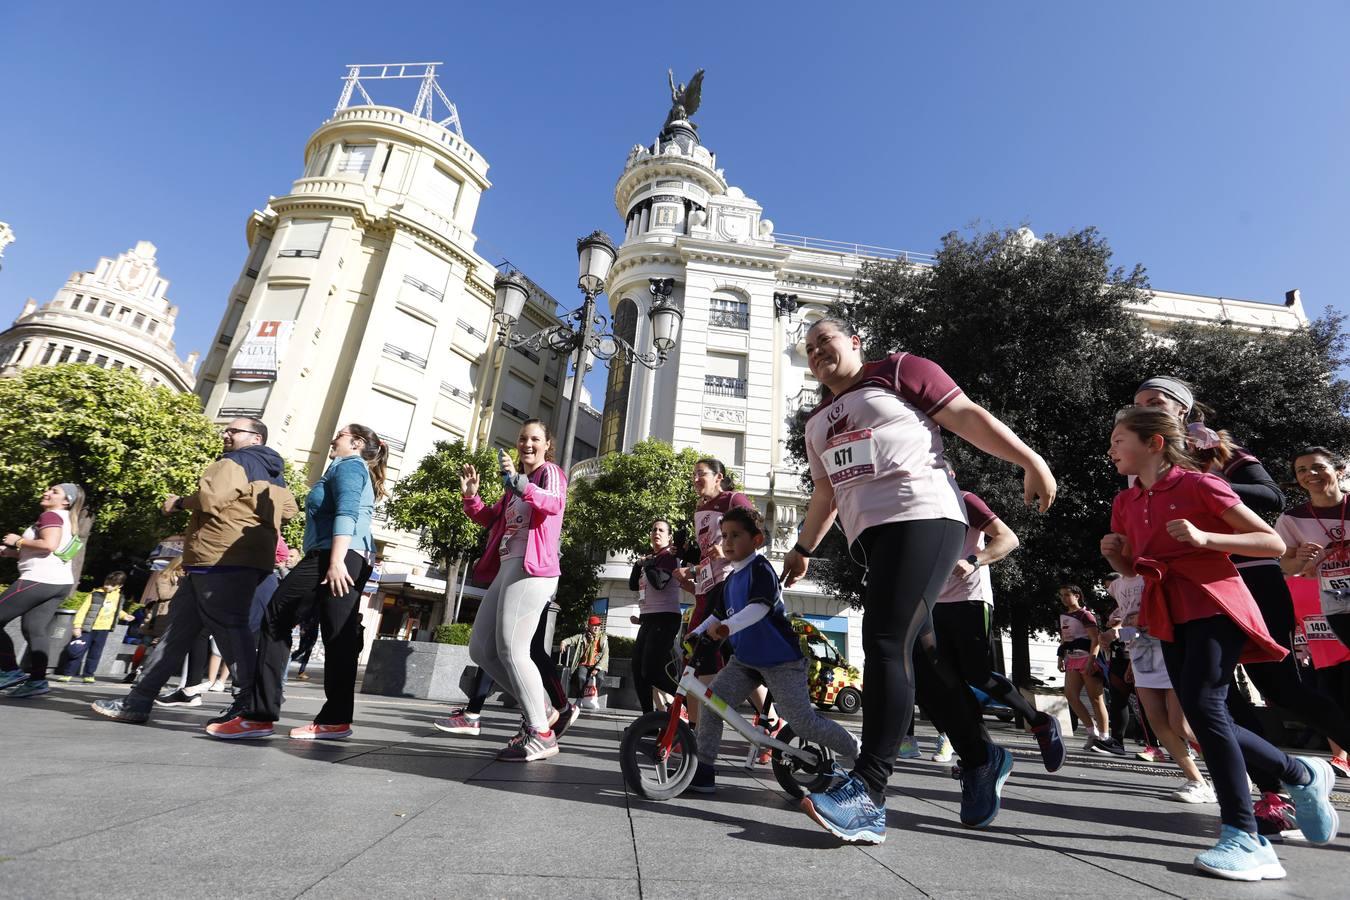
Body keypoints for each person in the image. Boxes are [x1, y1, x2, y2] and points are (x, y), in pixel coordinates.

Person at [785, 318, 1057, 844]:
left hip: (925, 517)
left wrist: (1030, 460)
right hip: (874, 541)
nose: (819, 351)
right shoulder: (816, 421)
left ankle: (867, 792)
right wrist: (802, 550)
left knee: (885, 641)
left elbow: (967, 417)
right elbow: (826, 495)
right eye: (810, 348)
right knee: (923, 665)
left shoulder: (899, 370)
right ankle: (982, 757)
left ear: (856, 342)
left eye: (828, 341)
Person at [1101, 406, 1339, 880]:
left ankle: (1245, 835)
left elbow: (1270, 545)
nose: (1110, 450)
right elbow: (1138, 567)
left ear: (1154, 444)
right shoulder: (1125, 502)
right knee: (1203, 714)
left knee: (1207, 709)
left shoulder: (1200, 485)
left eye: (1118, 440)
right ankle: (1301, 774)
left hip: (1216, 602)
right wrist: (1120, 559)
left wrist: (1206, 537)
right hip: (1166, 611)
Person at [1138, 379, 1350, 824]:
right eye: (1139, 404)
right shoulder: (1147, 461)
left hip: (1249, 578)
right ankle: (1276, 791)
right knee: (1215, 702)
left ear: (1182, 410)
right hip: (1191, 587)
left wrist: (1200, 486)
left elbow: (1270, 496)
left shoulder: (1214, 450)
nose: (1146, 408)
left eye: (1156, 402)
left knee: (1280, 688)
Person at [92, 418, 297, 725]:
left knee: (229, 627)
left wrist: (179, 503)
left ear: (256, 438)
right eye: (226, 429)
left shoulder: (234, 461)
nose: (225, 434)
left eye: (234, 430)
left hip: (217, 556)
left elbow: (211, 498)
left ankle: (250, 700)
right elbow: (290, 510)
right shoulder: (275, 476)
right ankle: (138, 701)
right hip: (245, 557)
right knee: (177, 633)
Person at [207, 423, 384, 740]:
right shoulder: (350, 467)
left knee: (277, 616)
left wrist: (335, 562)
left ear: (356, 443)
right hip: (344, 555)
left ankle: (259, 716)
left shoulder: (349, 466)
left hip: (337, 554)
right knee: (336, 636)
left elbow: (346, 513)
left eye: (339, 435)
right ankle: (333, 720)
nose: (333, 439)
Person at [689, 506, 860, 795]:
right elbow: (716, 615)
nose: (727, 542)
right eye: (724, 536)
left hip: (782, 661)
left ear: (756, 540)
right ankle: (704, 768)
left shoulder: (761, 568)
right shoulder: (731, 580)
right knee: (713, 704)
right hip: (745, 661)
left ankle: (858, 751)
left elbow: (760, 607)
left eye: (735, 535)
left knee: (803, 723)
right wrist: (694, 633)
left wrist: (727, 628)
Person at [928, 484, 1066, 771]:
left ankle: (1040, 722)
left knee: (975, 674)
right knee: (946, 682)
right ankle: (982, 755)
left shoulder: (965, 500)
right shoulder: (917, 505)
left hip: (970, 599)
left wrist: (973, 561)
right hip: (932, 603)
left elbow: (1008, 538)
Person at [458, 419, 568, 761]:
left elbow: (552, 503)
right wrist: (471, 497)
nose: (528, 444)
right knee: (481, 650)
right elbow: (493, 519)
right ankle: (543, 708)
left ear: (547, 444)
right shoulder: (513, 485)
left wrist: (520, 483)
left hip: (533, 568)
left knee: (512, 648)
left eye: (535, 439)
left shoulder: (550, 472)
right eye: (523, 438)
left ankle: (542, 733)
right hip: (508, 565)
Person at [1103, 572, 1215, 803]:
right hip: (1142, 657)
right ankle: (1197, 781)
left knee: (1180, 724)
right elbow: (1131, 626)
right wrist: (1129, 652)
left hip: (1171, 652)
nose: (1111, 547)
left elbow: (1169, 611)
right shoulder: (1117, 586)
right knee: (1159, 725)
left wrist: (1125, 625)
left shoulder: (1155, 574)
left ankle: (1229, 767)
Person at [432, 605, 576, 737]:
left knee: (525, 650)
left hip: (532, 582)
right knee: (492, 649)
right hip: (522, 582)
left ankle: (550, 710)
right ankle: (473, 713)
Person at [0, 483, 87, 698]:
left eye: (54, 492)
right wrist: (12, 553)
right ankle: (37, 681)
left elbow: (49, 545)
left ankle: (9, 670)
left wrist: (17, 540)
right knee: (34, 629)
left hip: (38, 579)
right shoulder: (69, 520)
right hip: (59, 582)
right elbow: (54, 552)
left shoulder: (50, 516)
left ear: (66, 500)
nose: (47, 492)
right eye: (48, 489)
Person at [1279, 446, 1350, 650]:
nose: (1310, 474)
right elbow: (1288, 567)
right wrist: (1301, 560)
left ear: (1339, 470)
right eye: (1302, 470)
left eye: (1319, 467)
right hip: (1339, 604)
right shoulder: (1291, 519)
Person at [629, 518, 684, 713]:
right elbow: (633, 585)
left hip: (665, 618)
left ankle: (686, 702)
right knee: (638, 670)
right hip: (650, 619)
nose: (656, 533)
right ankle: (648, 719)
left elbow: (659, 583)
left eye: (661, 530)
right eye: (653, 529)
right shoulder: (652, 557)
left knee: (651, 672)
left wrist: (649, 565)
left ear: (669, 536)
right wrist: (639, 565)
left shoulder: (668, 556)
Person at [1056, 584, 1116, 754]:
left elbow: (1095, 640)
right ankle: (1092, 731)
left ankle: (1104, 737)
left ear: (1077, 595)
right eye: (1061, 595)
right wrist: (1061, 657)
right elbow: (1064, 638)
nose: (1064, 598)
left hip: (1087, 658)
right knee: (1071, 695)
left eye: (1067, 594)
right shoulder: (1063, 616)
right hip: (1071, 658)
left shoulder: (1085, 615)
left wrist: (1092, 660)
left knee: (1096, 699)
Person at [53, 571, 131, 683]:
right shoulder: (96, 594)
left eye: (112, 585)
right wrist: (77, 626)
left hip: (103, 629)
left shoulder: (119, 597)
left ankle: (88, 675)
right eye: (106, 583)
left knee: (95, 653)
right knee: (77, 651)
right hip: (88, 628)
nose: (107, 586)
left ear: (120, 586)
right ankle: (68, 673)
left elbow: (116, 610)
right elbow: (82, 610)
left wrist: (124, 615)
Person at [560, 616, 609, 709]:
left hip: (599, 665)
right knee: (580, 677)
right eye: (594, 625)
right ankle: (579, 698)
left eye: (598, 625)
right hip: (584, 664)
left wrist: (597, 668)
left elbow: (605, 656)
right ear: (589, 626)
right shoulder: (582, 637)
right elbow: (571, 639)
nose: (596, 628)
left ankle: (594, 697)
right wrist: (563, 642)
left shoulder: (604, 639)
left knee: (600, 677)